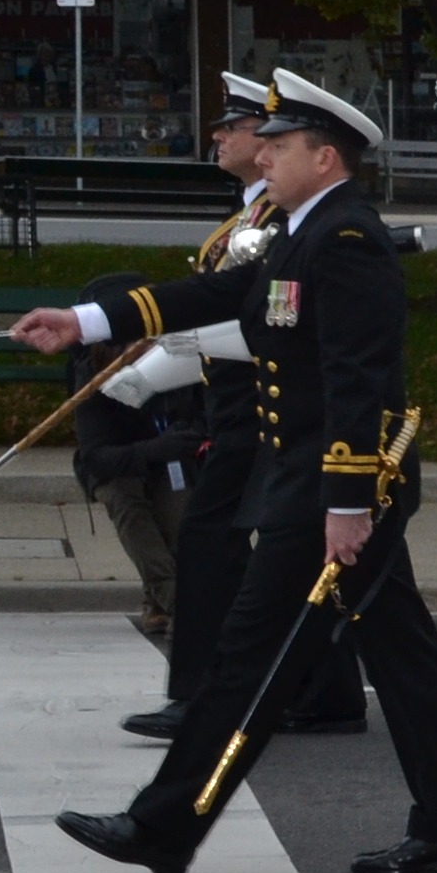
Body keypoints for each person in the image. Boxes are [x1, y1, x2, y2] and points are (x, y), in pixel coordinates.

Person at [13, 75, 437, 873]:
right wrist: (87, 322)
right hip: (322, 488)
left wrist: (345, 507)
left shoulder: (345, 243)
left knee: (251, 657)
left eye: (280, 144)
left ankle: (164, 827)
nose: (261, 154)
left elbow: (357, 384)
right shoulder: (301, 236)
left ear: (325, 155)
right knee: (399, 657)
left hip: (334, 494)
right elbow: (218, 292)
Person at [114, 79, 369, 741]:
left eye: (242, 129)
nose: (223, 139)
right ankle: (326, 692)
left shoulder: (295, 225)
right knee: (295, 557)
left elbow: (276, 327)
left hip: (265, 405)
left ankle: (206, 697)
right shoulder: (252, 220)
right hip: (237, 403)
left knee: (211, 541)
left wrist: (173, 346)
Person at [67, 271, 201, 633]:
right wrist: (153, 449)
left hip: (169, 460)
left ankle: (158, 602)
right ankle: (182, 605)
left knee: (181, 520)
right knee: (130, 508)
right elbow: (97, 457)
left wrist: (185, 439)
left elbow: (200, 416)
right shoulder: (94, 382)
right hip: (118, 467)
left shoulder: (179, 365)